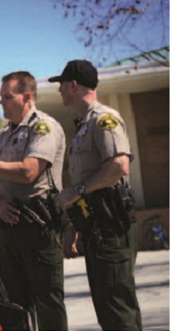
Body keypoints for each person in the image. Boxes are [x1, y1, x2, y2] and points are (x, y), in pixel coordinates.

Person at [0, 71, 68, 330]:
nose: (1, 103)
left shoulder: (43, 127)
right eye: (0, 97)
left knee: (47, 302)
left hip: (39, 227)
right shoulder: (3, 134)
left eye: (7, 97)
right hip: (11, 229)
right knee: (14, 304)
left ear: (26, 97)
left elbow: (29, 172)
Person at [51, 60, 142, 330]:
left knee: (118, 308)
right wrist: (73, 226)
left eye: (61, 85)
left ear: (73, 85)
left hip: (111, 226)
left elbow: (118, 166)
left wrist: (77, 191)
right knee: (107, 307)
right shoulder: (83, 126)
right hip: (95, 226)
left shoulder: (104, 119)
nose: (59, 91)